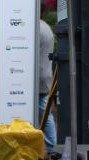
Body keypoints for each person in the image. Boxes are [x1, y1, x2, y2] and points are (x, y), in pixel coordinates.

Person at [39, 4, 56, 151]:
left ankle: (50, 145)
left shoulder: (36, 28)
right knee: (45, 111)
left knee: (45, 111)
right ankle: (50, 145)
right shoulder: (46, 27)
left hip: (38, 78)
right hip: (45, 75)